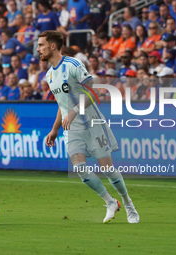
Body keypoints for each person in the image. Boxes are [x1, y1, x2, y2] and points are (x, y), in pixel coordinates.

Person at [37, 30, 139, 223]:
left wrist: (75, 110)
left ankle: (128, 204)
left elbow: (94, 93)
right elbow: (61, 104)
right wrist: (55, 129)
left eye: (41, 44)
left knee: (108, 169)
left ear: (52, 46)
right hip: (72, 129)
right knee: (80, 168)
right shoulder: (50, 75)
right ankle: (110, 202)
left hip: (92, 124)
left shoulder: (73, 65)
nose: (38, 48)